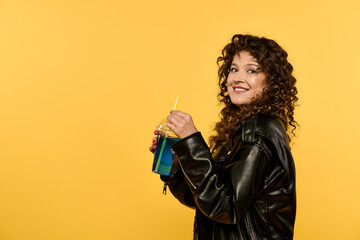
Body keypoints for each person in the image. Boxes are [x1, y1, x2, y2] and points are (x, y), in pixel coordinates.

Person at [149, 34, 298, 240]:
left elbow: (224, 207)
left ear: (271, 81)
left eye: (251, 70)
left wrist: (192, 140)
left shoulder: (257, 135)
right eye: (233, 69)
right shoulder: (242, 129)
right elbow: (207, 202)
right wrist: (179, 163)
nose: (237, 77)